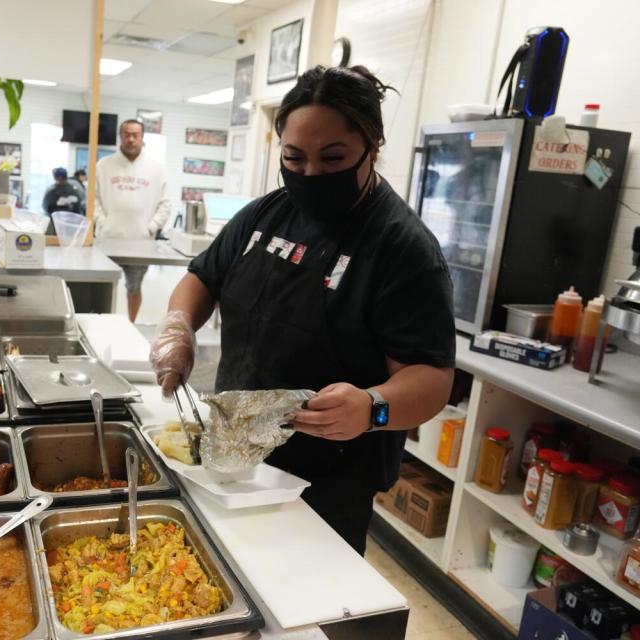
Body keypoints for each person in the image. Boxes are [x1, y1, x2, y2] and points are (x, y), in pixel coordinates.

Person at [149, 66, 456, 554]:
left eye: (332, 159)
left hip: (328, 477)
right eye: (294, 158)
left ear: (371, 148)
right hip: (234, 452)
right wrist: (178, 326)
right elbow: (202, 277)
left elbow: (432, 379)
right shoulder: (265, 214)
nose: (310, 175)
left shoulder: (402, 247)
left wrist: (373, 407)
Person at [94, 119, 170, 322]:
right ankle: (102, 324)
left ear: (142, 137)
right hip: (108, 240)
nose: (131, 139)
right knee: (102, 287)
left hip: (140, 242)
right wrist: (104, 223)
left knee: (134, 288)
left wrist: (151, 228)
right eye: (127, 134)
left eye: (136, 135)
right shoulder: (103, 165)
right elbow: (93, 200)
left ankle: (131, 324)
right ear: (120, 136)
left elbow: (165, 204)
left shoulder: (156, 168)